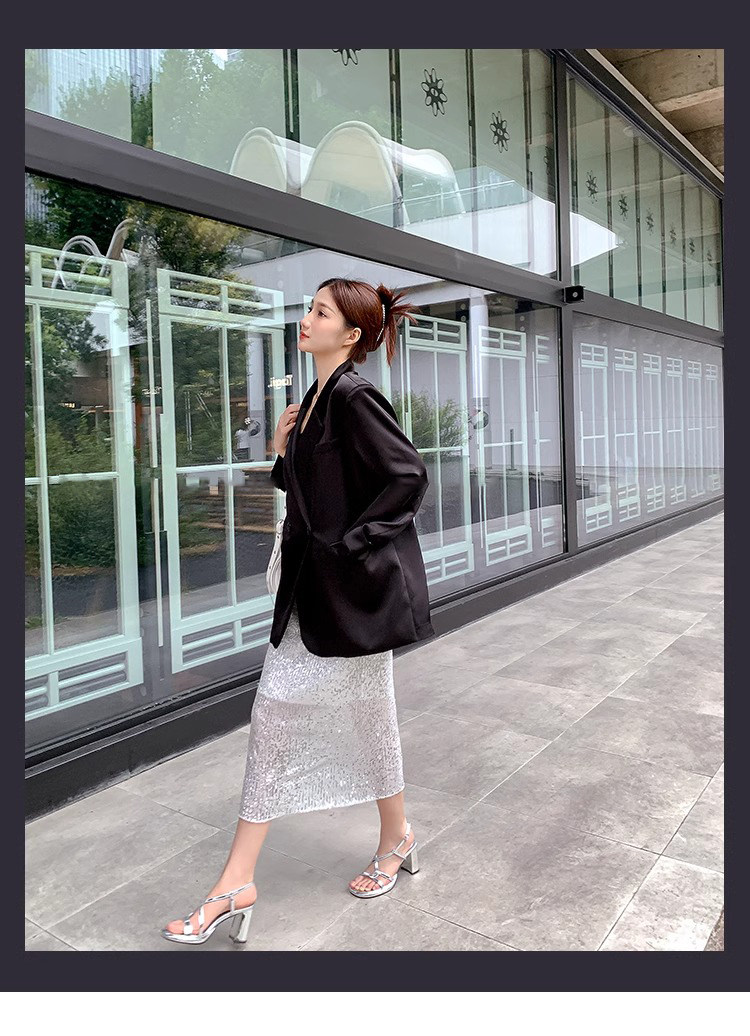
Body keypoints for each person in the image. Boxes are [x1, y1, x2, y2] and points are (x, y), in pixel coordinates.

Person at [162, 278, 433, 946]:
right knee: (359, 717)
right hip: (311, 592)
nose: (306, 319)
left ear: (352, 335)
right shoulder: (313, 399)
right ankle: (394, 837)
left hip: (343, 591)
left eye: (321, 312)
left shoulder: (353, 397)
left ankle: (238, 882)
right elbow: (311, 491)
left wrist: (350, 545)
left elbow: (407, 475)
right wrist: (284, 453)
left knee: (280, 715)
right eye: (309, 308)